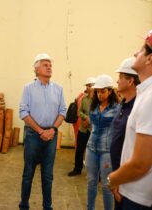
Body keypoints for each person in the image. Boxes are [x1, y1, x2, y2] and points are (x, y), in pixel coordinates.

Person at [108, 30, 152, 209]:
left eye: (141, 50)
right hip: (130, 188)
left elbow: (141, 164)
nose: (136, 53)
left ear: (150, 59)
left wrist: (112, 179)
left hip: (138, 198)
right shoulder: (145, 93)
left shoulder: (151, 97)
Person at [19, 53, 67, 210]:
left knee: (48, 175)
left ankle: (48, 206)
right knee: (28, 174)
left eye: (50, 65)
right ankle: (24, 205)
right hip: (33, 135)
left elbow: (63, 111)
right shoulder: (28, 88)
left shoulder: (58, 89)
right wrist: (40, 131)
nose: (49, 67)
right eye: (45, 64)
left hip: (51, 135)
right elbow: (23, 113)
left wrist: (52, 129)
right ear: (36, 68)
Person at [110, 57, 140, 210]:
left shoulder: (138, 107)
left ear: (130, 81)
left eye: (120, 77)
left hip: (129, 180)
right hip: (118, 176)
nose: (117, 81)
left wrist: (118, 179)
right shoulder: (122, 104)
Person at [86, 74, 119, 210]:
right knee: (91, 182)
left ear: (110, 91)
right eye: (97, 91)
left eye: (103, 91)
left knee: (106, 185)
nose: (99, 94)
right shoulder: (93, 106)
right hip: (91, 148)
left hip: (106, 151)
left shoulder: (117, 108)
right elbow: (91, 125)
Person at [68, 77, 95, 176]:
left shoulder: (99, 100)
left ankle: (96, 173)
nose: (88, 87)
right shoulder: (84, 99)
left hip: (93, 130)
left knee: (93, 152)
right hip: (83, 129)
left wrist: (90, 119)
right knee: (79, 149)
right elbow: (79, 112)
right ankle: (77, 169)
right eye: (87, 86)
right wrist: (86, 118)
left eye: (90, 85)